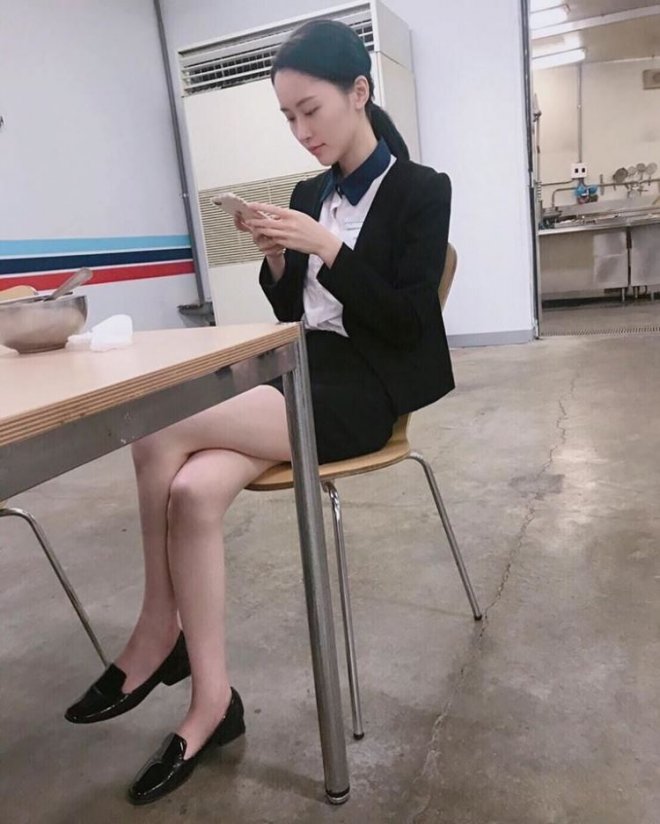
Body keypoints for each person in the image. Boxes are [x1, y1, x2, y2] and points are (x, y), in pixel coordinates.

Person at [63, 18, 455, 805]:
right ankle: (212, 703)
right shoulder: (310, 195)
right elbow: (293, 313)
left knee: (157, 421)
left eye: (311, 110)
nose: (301, 132)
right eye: (287, 117)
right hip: (298, 373)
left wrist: (329, 248)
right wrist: (279, 258)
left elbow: (409, 323)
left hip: (365, 391)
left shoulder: (421, 189)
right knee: (190, 492)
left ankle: (157, 628)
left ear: (359, 93)